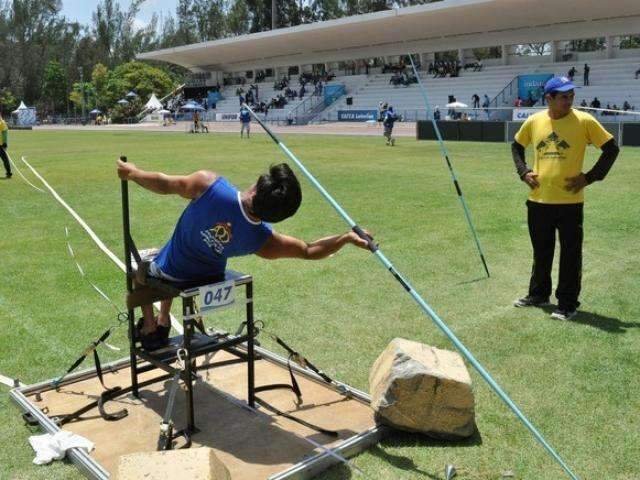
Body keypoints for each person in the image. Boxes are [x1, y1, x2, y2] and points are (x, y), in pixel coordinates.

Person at [116, 161, 371, 349]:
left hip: (172, 273)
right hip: (209, 277)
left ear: (256, 187)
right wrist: (346, 238)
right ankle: (163, 320)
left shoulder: (210, 185)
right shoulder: (263, 239)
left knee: (141, 270)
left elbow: (164, 183)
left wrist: (133, 173)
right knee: (169, 254)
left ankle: (150, 327)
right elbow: (308, 250)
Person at [511, 76, 620, 320]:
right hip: (538, 201)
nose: (568, 100)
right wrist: (523, 171)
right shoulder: (534, 121)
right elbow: (517, 146)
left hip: (570, 203)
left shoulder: (584, 121)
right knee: (541, 251)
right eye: (563, 96)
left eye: (571, 95)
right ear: (548, 98)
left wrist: (590, 177)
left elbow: (611, 149)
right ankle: (538, 294)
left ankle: (568, 304)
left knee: (571, 254)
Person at [0, 112, 12, 178]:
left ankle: (9, 173)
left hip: (1, 145)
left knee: (5, 160)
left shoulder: (2, 123)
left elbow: (5, 133)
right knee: (5, 159)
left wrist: (5, 143)